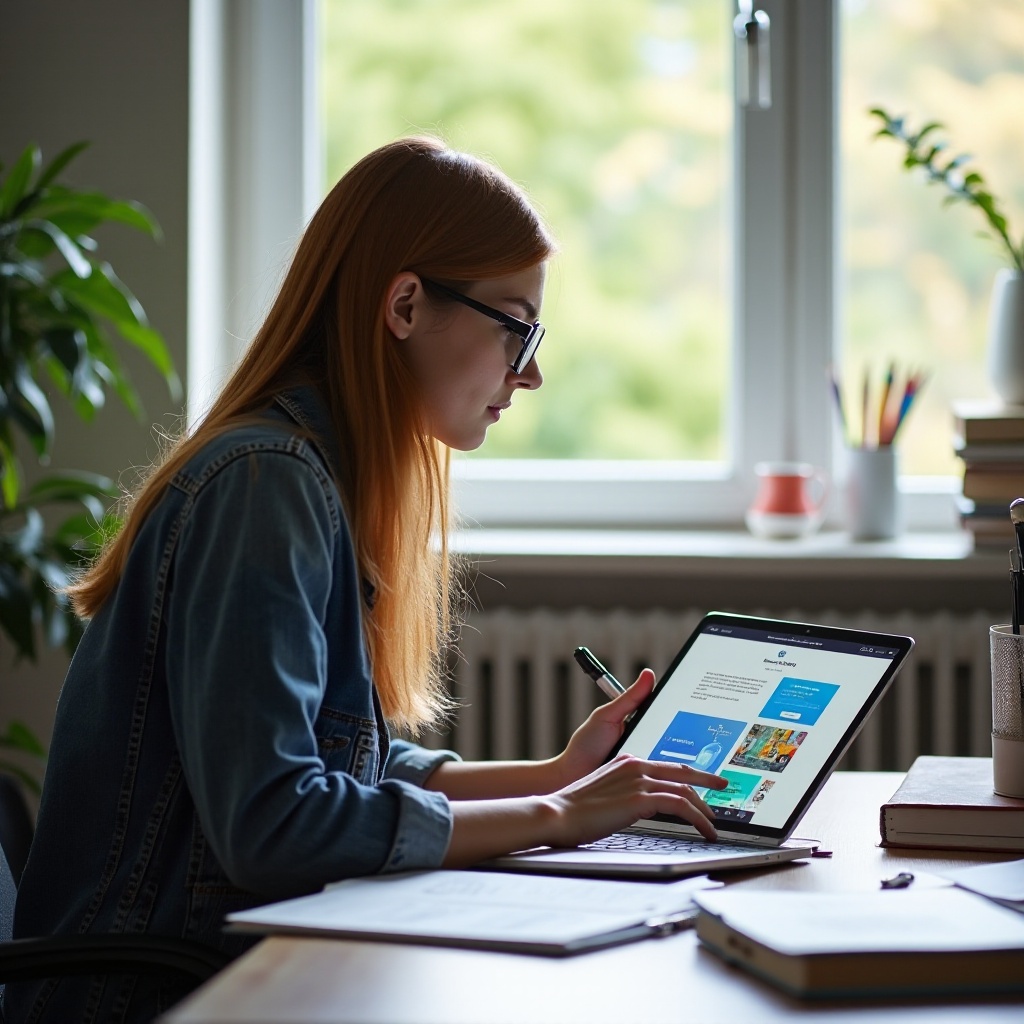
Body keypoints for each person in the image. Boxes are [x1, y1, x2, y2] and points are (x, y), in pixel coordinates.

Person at [6, 137, 726, 1024]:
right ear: (406, 304)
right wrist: (555, 813)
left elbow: (352, 769)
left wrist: (554, 775)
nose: (531, 373)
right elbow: (276, 825)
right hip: (154, 996)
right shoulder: (264, 485)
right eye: (516, 326)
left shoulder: (311, 479)